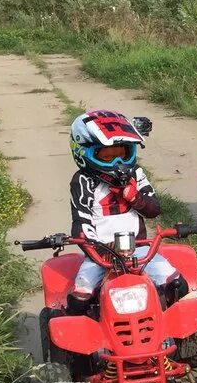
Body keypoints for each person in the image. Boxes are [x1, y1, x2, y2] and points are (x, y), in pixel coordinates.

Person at [67, 109, 189, 313]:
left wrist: (134, 197)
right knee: (79, 299)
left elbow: (153, 209)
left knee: (178, 285)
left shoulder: (136, 174)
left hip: (139, 249)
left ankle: (171, 325)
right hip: (100, 254)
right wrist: (99, 251)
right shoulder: (83, 180)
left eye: (122, 154)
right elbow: (81, 223)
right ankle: (89, 336)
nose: (118, 163)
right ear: (83, 152)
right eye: (107, 155)